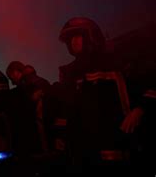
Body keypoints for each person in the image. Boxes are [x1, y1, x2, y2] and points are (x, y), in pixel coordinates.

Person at [58, 17, 153, 175]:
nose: (73, 41)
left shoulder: (115, 61)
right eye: (70, 38)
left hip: (117, 146)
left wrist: (139, 109)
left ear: (91, 37)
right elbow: (67, 109)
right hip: (82, 153)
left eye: (78, 36)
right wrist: (61, 136)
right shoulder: (70, 72)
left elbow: (148, 86)